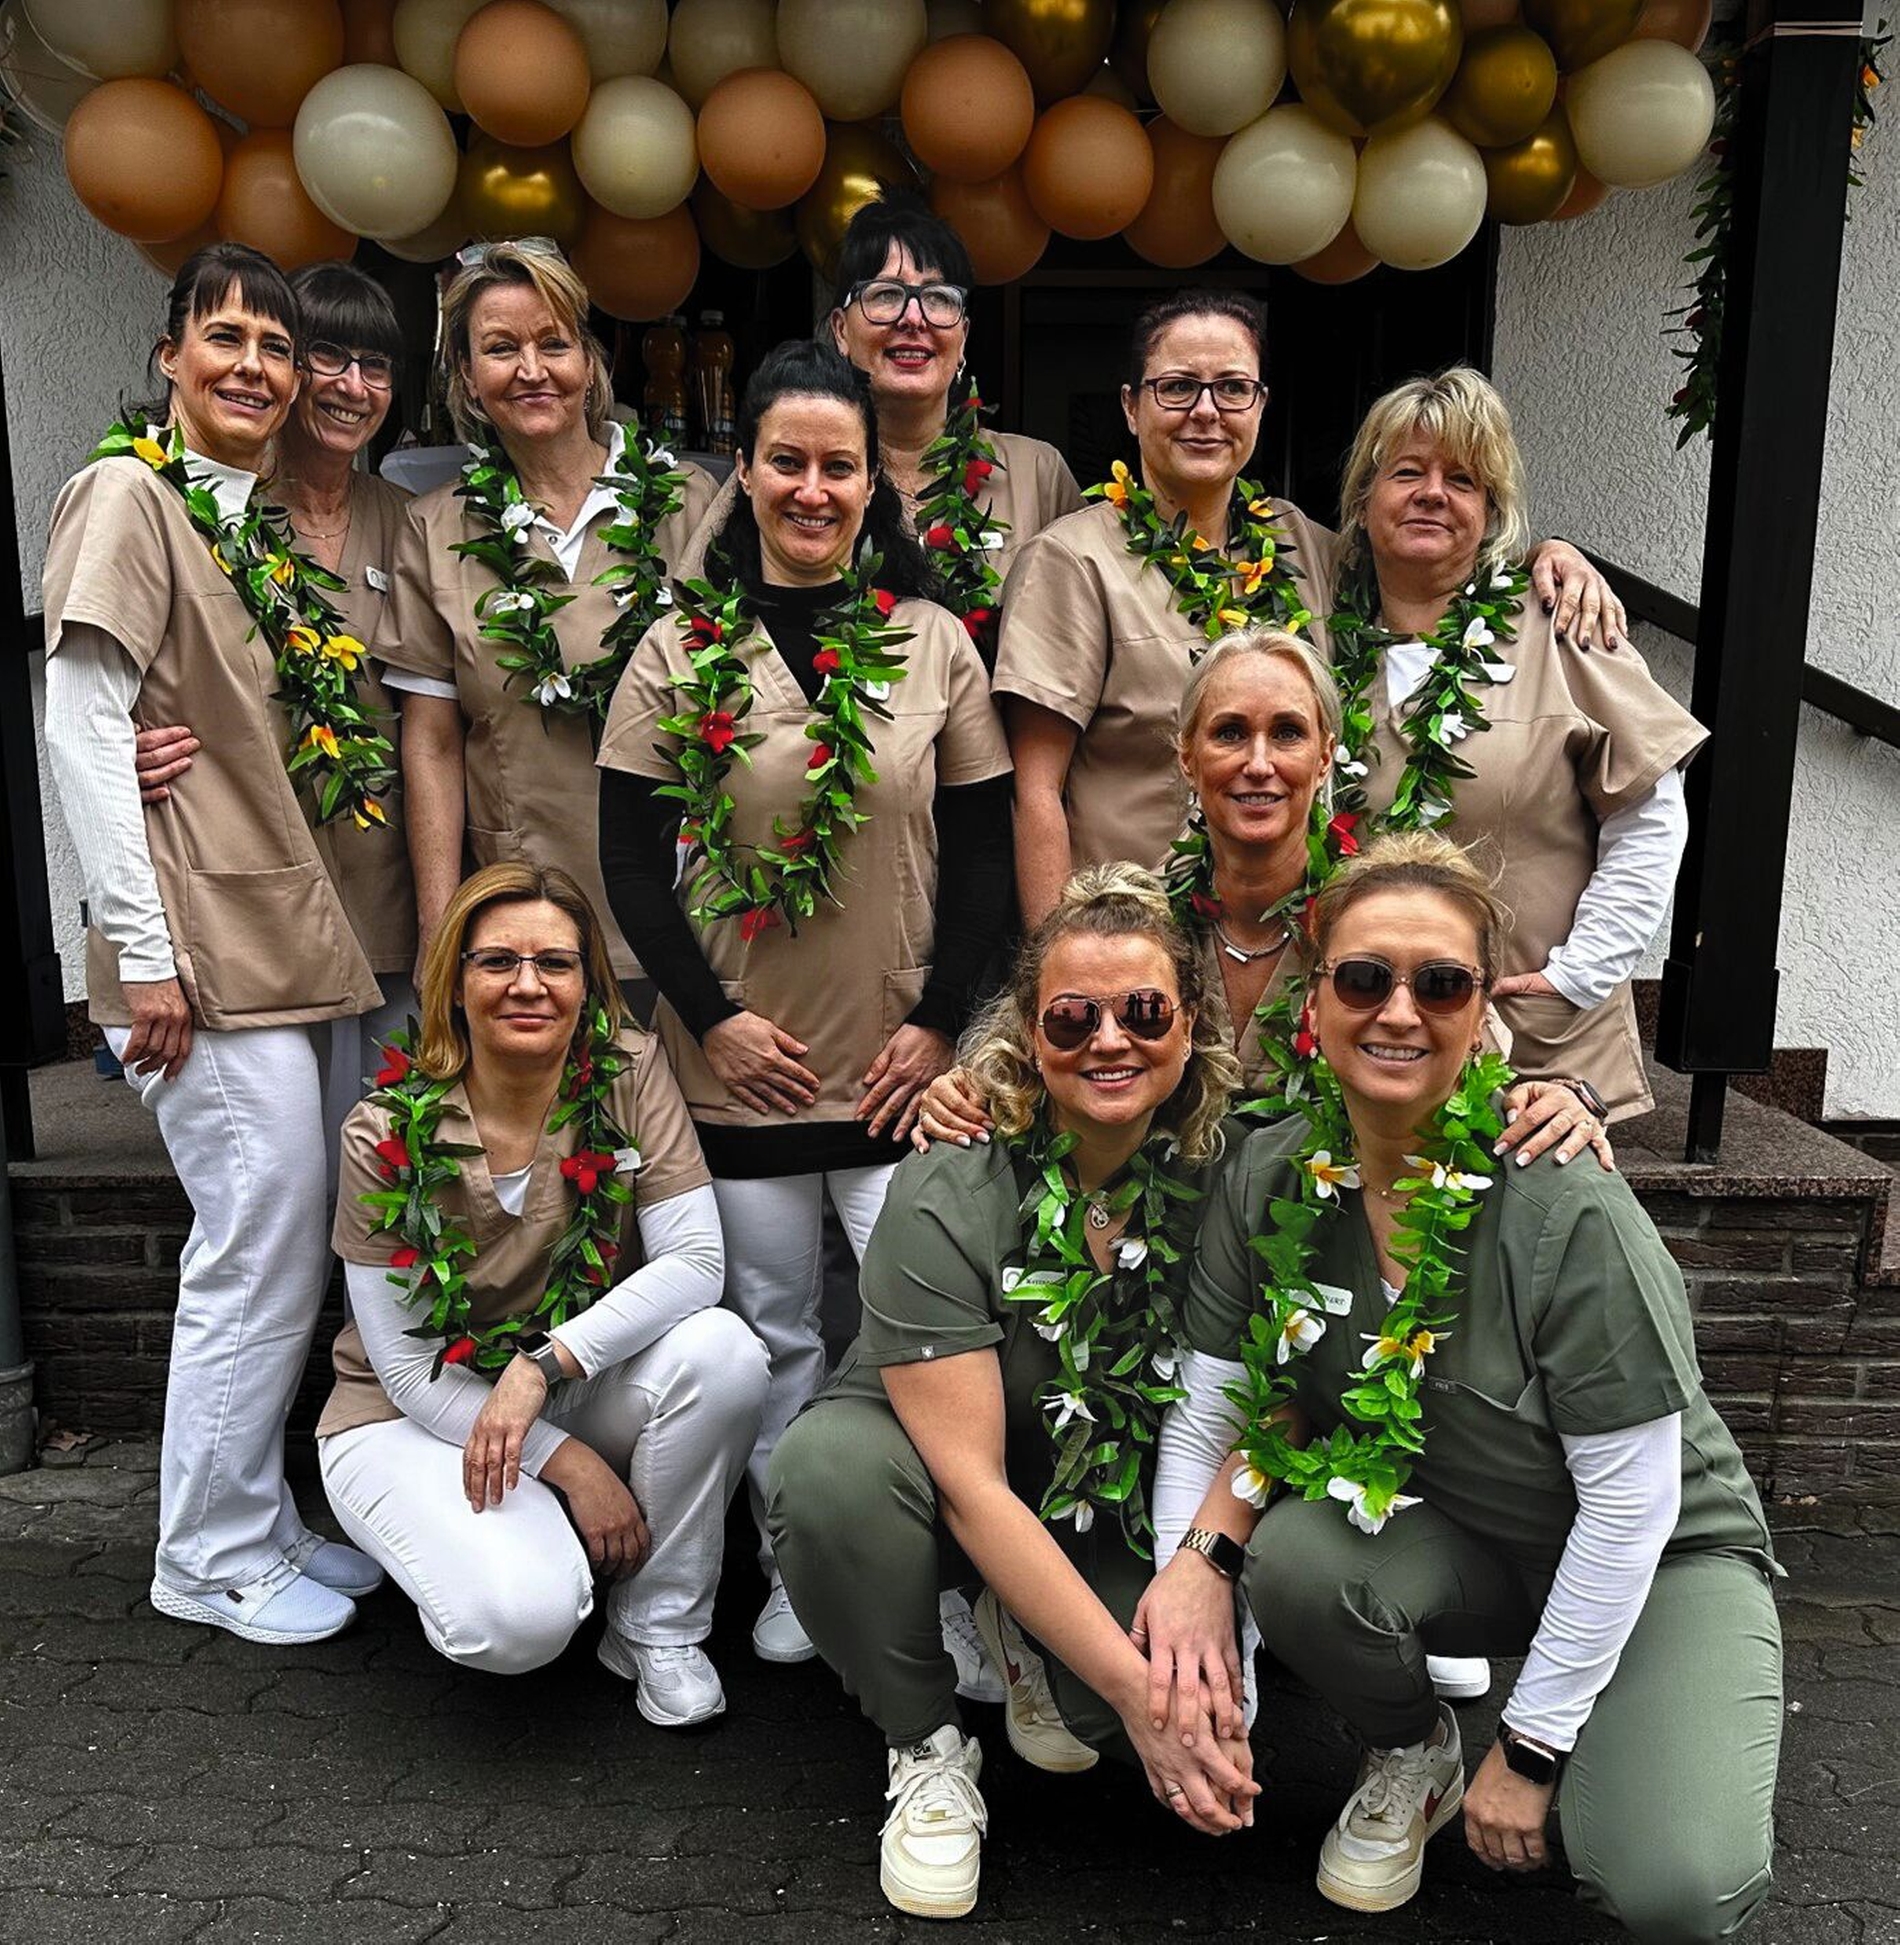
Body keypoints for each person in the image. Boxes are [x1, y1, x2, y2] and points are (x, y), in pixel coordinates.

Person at [1168, 831, 1780, 1940]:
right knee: (1296, 1560)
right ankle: (1418, 1752)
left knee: (1673, 1885)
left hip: (1659, 1558)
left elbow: (1634, 1505)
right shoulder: (1272, 1168)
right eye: (1363, 977)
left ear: (1479, 1009)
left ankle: (1616, 1721)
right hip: (1476, 1537)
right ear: (1315, 995)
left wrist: (1534, 1744)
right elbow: (1222, 1400)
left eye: (1439, 982)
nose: (1397, 1010)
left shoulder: (1563, 1201)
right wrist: (1195, 1603)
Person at [598, 339, 1014, 1666]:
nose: (815, 486)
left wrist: (942, 1021)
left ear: (867, 481)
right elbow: (626, 862)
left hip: (902, 1071)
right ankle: (800, 1571)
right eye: (789, 460)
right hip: (746, 1072)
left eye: (841, 464)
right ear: (748, 472)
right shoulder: (678, 648)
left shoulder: (932, 642)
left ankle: (936, 1576)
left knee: (922, 1340)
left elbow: (989, 852)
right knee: (776, 1333)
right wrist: (710, 1016)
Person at [767, 865, 1257, 1921]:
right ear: (1031, 1037)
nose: (1108, 1040)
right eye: (1071, 1017)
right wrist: (1145, 1698)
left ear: (1189, 1028)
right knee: (827, 1476)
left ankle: (1030, 1625)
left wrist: (1562, 1094)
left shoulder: (1237, 1170)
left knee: (1114, 1729)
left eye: (1143, 1011)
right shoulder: (953, 1175)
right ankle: (925, 1743)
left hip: (1106, 1490)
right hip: (945, 1477)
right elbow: (971, 1484)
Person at [42, 242, 387, 1645]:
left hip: (258, 948)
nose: (254, 363)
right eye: (225, 335)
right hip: (191, 960)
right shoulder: (128, 492)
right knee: (255, 1245)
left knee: (281, 1239)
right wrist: (138, 954)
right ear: (172, 353)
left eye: (276, 345)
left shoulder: (231, 524)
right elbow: (78, 720)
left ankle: (258, 1510)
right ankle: (207, 1553)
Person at [993, 291, 1627, 927]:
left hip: (1289, 943)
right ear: (1132, 408)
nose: (1206, 411)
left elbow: (1425, 564)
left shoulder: (1302, 545)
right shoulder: (1072, 560)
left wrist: (1548, 554)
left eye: (1233, 388)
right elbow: (1036, 790)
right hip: (1141, 943)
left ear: (1261, 406)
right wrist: (1062, 965)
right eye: (1178, 387)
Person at [317, 862, 767, 1726]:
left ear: (587, 982)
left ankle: (656, 1627)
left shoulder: (629, 1073)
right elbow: (407, 1372)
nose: (528, 984)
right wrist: (572, 1461)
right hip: (405, 1417)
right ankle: (525, 1549)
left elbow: (695, 1262)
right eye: (497, 962)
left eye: (556, 963)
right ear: (455, 982)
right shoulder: (384, 1129)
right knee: (517, 1625)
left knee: (723, 1351)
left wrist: (541, 1369)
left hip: (558, 1383)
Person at [1327, 366, 1705, 1117]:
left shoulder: (1563, 624)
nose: (1434, 492)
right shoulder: (1325, 646)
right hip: (1369, 1040)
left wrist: (1583, 971)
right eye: (1408, 472)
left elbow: (1650, 815)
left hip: (1537, 1049)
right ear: (1365, 500)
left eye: (1463, 480)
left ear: (1491, 510)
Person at [379, 239, 717, 1016]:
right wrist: (439, 927)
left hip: (692, 907)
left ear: (590, 362)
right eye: (501, 348)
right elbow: (430, 741)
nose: (531, 369)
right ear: (467, 376)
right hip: (527, 919)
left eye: (553, 343)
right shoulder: (433, 530)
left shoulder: (691, 503)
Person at [131, 259, 418, 1158]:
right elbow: (127, 681)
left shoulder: (412, 520)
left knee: (390, 1152)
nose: (351, 386)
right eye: (327, 356)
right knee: (284, 1166)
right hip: (253, 902)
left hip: (392, 887)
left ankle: (363, 1308)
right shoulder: (217, 512)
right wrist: (120, 749)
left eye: (376, 366)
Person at [679, 191, 1083, 663]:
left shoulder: (1036, 473)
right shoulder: (785, 475)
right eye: (886, 295)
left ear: (964, 334)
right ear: (841, 331)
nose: (914, 319)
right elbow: (694, 629)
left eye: (938, 298)